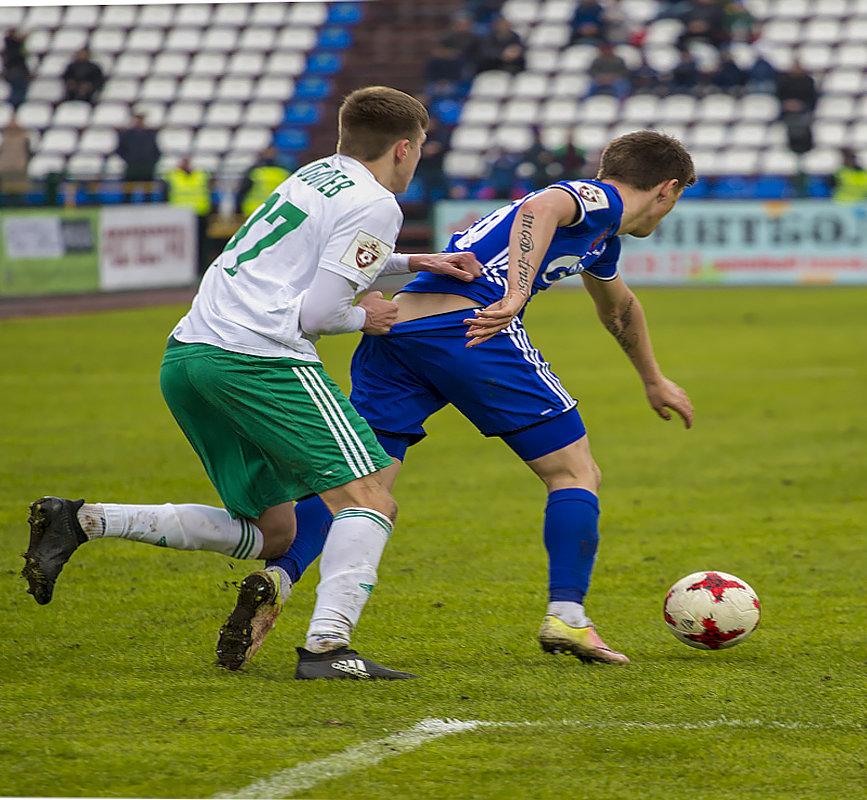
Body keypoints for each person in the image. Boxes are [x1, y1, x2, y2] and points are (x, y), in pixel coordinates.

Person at [21, 86, 481, 680]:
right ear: (401, 148)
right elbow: (319, 314)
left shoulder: (315, 176)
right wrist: (368, 316)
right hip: (258, 360)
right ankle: (328, 649)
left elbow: (307, 256)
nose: (417, 159)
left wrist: (411, 262)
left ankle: (82, 520)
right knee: (371, 498)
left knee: (274, 532)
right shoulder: (377, 203)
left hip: (190, 356)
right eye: (418, 148)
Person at [253, 130, 697, 669]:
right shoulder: (598, 199)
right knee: (575, 473)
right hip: (467, 330)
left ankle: (279, 576)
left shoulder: (602, 239)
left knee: (364, 487)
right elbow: (543, 205)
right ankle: (567, 617)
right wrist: (514, 291)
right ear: (668, 189)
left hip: (399, 333)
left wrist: (653, 378)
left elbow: (619, 308)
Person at [164, 155, 212, 274]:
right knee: (180, 247)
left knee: (201, 246)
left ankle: (201, 269)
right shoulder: (173, 176)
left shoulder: (201, 175)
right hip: (179, 216)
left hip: (200, 214)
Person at [775, 60, 818, 156]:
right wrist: (788, 104)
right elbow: (779, 96)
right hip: (787, 112)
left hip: (804, 110)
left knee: (803, 122)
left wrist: (800, 105)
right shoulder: (783, 81)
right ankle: (792, 146)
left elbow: (812, 99)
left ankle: (805, 146)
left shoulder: (808, 81)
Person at [116, 112, 161, 202]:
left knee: (148, 191)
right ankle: (126, 206)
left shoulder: (150, 134)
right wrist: (129, 159)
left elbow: (156, 150)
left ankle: (148, 206)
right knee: (128, 190)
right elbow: (120, 150)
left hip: (147, 167)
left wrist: (151, 161)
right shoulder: (127, 134)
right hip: (132, 166)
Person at [236, 145, 292, 217]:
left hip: (252, 209)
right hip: (274, 211)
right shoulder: (284, 172)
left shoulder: (255, 171)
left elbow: (242, 191)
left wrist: (238, 210)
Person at [0, 114, 31, 205]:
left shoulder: (24, 136)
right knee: (7, 188)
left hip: (19, 165)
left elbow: (28, 151)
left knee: (18, 188)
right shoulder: (3, 136)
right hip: (5, 165)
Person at [2, 29, 30, 110]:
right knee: (18, 94)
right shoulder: (14, 48)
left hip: (13, 73)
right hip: (17, 74)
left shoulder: (8, 47)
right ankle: (14, 109)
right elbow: (18, 58)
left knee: (17, 93)